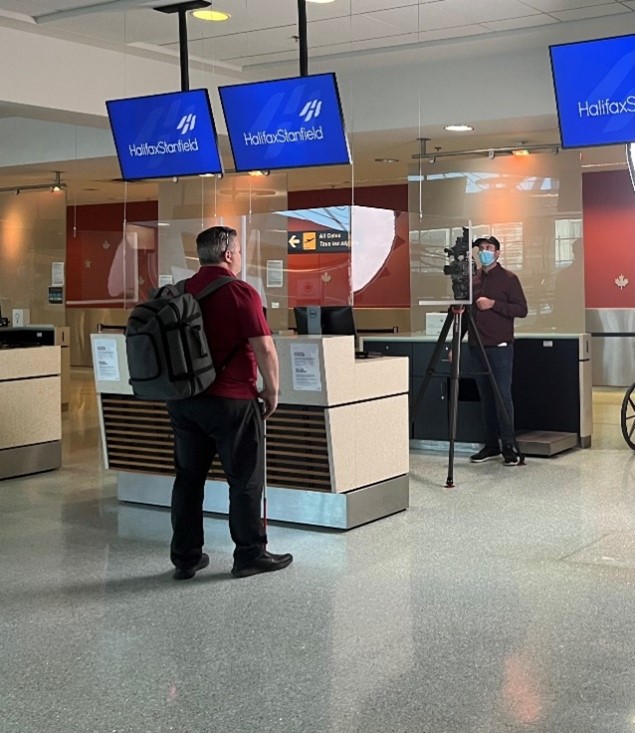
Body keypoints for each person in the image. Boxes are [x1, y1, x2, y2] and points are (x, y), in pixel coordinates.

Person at [166, 225, 293, 580]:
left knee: (188, 480)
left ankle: (185, 557)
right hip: (232, 401)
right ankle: (250, 554)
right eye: (237, 250)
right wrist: (273, 390)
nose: (239, 256)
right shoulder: (241, 292)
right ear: (228, 254)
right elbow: (264, 347)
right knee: (245, 479)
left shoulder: (180, 291)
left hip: (185, 402)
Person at [468, 235, 528, 467]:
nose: (484, 251)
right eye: (481, 248)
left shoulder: (509, 279)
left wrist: (494, 304)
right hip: (476, 347)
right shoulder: (473, 280)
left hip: (500, 348)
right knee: (486, 399)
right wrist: (455, 345)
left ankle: (508, 447)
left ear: (497, 253)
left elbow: (521, 310)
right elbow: (468, 315)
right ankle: (491, 444)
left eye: (488, 248)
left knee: (502, 397)